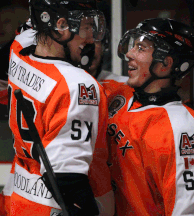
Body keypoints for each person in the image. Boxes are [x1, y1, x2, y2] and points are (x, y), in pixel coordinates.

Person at [1, 0, 114, 215]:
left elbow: (33, 22)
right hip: (56, 207)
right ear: (60, 26)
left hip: (21, 198)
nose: (90, 37)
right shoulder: (77, 83)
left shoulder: (19, 47)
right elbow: (67, 178)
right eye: (86, 26)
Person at [105, 18, 194, 215]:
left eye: (141, 48)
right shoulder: (118, 93)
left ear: (165, 63)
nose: (130, 54)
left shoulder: (182, 128)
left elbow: (192, 211)